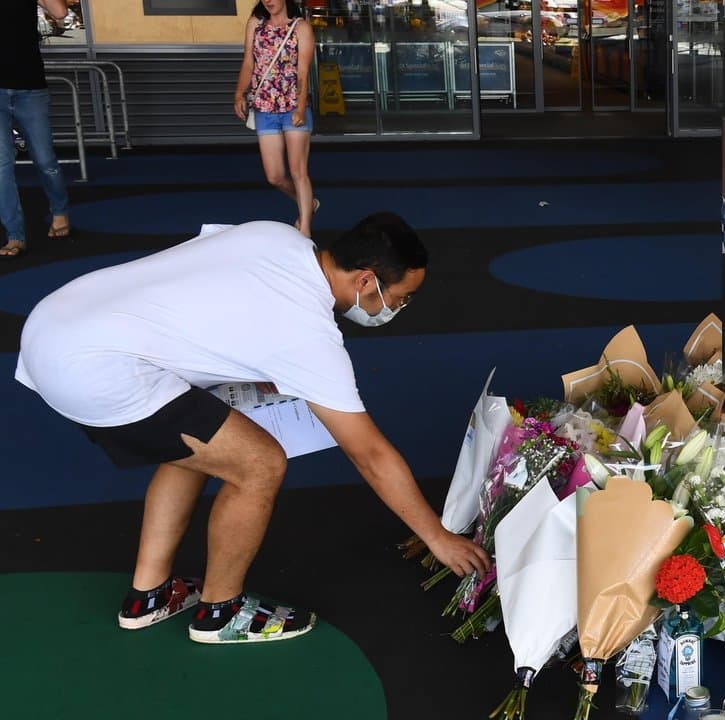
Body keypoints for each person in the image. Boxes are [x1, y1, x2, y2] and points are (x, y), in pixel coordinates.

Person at [14, 213, 489, 644]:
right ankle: (221, 612)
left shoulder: (278, 235)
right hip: (93, 371)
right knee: (259, 463)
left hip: (54, 321)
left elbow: (217, 285)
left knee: (199, 441)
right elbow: (370, 455)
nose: (397, 309)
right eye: (400, 298)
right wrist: (437, 536)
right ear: (366, 279)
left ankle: (149, 594)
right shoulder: (309, 334)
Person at [234, 0, 319, 237]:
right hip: (265, 107)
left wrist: (300, 107)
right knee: (274, 176)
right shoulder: (256, 23)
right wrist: (239, 93)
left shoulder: (301, 27)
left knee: (298, 171)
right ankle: (308, 204)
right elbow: (248, 62)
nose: (268, 1)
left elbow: (303, 72)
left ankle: (305, 230)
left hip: (293, 106)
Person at [0, 0, 72, 259]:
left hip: (30, 88)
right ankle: (15, 235)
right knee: (1, 166)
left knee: (44, 159)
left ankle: (60, 211)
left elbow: (60, 12)